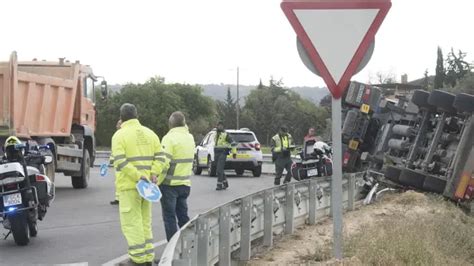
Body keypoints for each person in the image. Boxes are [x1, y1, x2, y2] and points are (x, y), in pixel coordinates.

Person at [111, 103, 165, 266]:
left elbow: (120, 162)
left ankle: (138, 259)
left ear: (121, 117)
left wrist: (138, 176)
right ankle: (148, 257)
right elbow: (161, 158)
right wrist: (154, 173)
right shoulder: (151, 134)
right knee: (144, 222)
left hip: (130, 186)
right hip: (147, 188)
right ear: (137, 115)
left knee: (131, 223)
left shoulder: (119, 136)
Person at [157, 111, 195, 241]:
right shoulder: (190, 137)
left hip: (169, 185)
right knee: (183, 217)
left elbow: (164, 163)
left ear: (170, 124)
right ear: (184, 123)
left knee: (169, 218)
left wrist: (156, 179)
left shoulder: (169, 138)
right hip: (184, 184)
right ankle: (190, 245)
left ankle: (172, 251)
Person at [214, 121, 236, 191]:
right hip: (216, 152)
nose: (219, 127)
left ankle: (219, 185)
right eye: (218, 125)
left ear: (223, 127)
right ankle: (225, 183)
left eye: (221, 126)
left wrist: (234, 153)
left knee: (219, 169)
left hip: (223, 153)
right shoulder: (215, 134)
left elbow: (233, 143)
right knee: (218, 169)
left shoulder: (226, 135)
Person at [110, 119, 122, 205]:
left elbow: (116, 151)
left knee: (119, 181)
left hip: (119, 164)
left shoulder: (118, 135)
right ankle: (118, 198)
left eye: (118, 124)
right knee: (118, 181)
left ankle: (119, 198)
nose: (116, 126)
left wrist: (112, 159)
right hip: (118, 163)